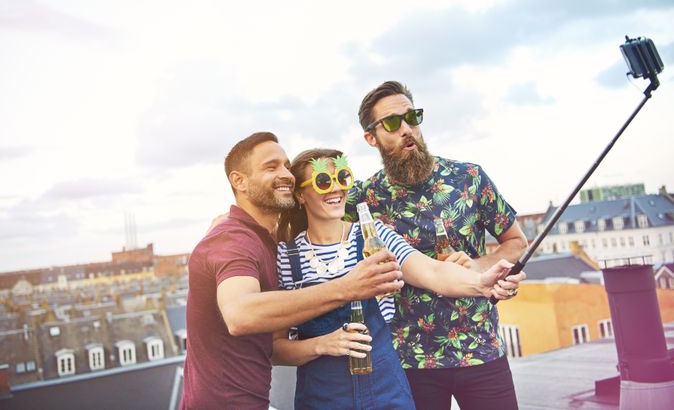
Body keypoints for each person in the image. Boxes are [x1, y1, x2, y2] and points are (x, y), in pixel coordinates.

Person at [272, 148, 525, 410]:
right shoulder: (286, 258)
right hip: (322, 399)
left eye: (342, 178)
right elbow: (276, 348)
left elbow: (433, 272)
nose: (335, 188)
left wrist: (481, 282)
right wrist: (322, 345)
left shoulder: (374, 237)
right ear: (300, 194)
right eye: (323, 181)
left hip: (386, 394)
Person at [180, 132, 405, 410]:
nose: (285, 173)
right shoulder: (233, 240)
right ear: (238, 180)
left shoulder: (266, 243)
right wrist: (348, 287)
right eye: (271, 166)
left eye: (287, 165)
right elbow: (240, 314)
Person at [346, 81, 529, 410]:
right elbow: (315, 221)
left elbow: (516, 241)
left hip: (481, 350)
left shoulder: (470, 178)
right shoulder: (364, 198)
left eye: (412, 117)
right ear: (370, 137)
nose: (406, 129)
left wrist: (479, 265)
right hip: (409, 360)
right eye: (392, 122)